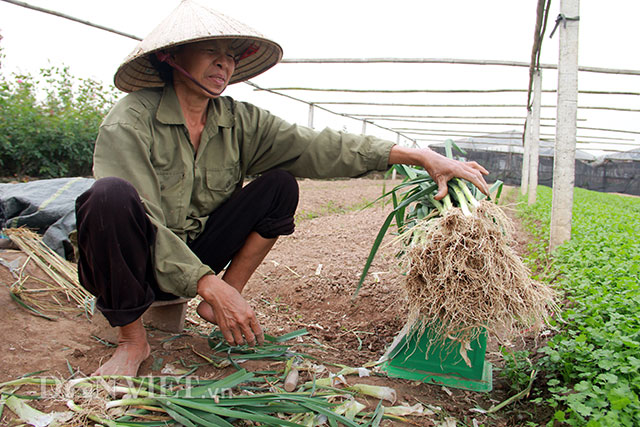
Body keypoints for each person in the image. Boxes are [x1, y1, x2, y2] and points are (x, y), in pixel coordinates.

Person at [76, 0, 490, 376]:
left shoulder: (238, 121)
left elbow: (317, 146)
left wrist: (418, 155)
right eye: (210, 52)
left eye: (230, 56)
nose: (223, 64)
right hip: (136, 261)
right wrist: (206, 280)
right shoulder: (131, 119)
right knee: (108, 196)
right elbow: (145, 220)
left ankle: (221, 299)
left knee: (279, 186)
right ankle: (132, 341)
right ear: (171, 56)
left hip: (195, 254)